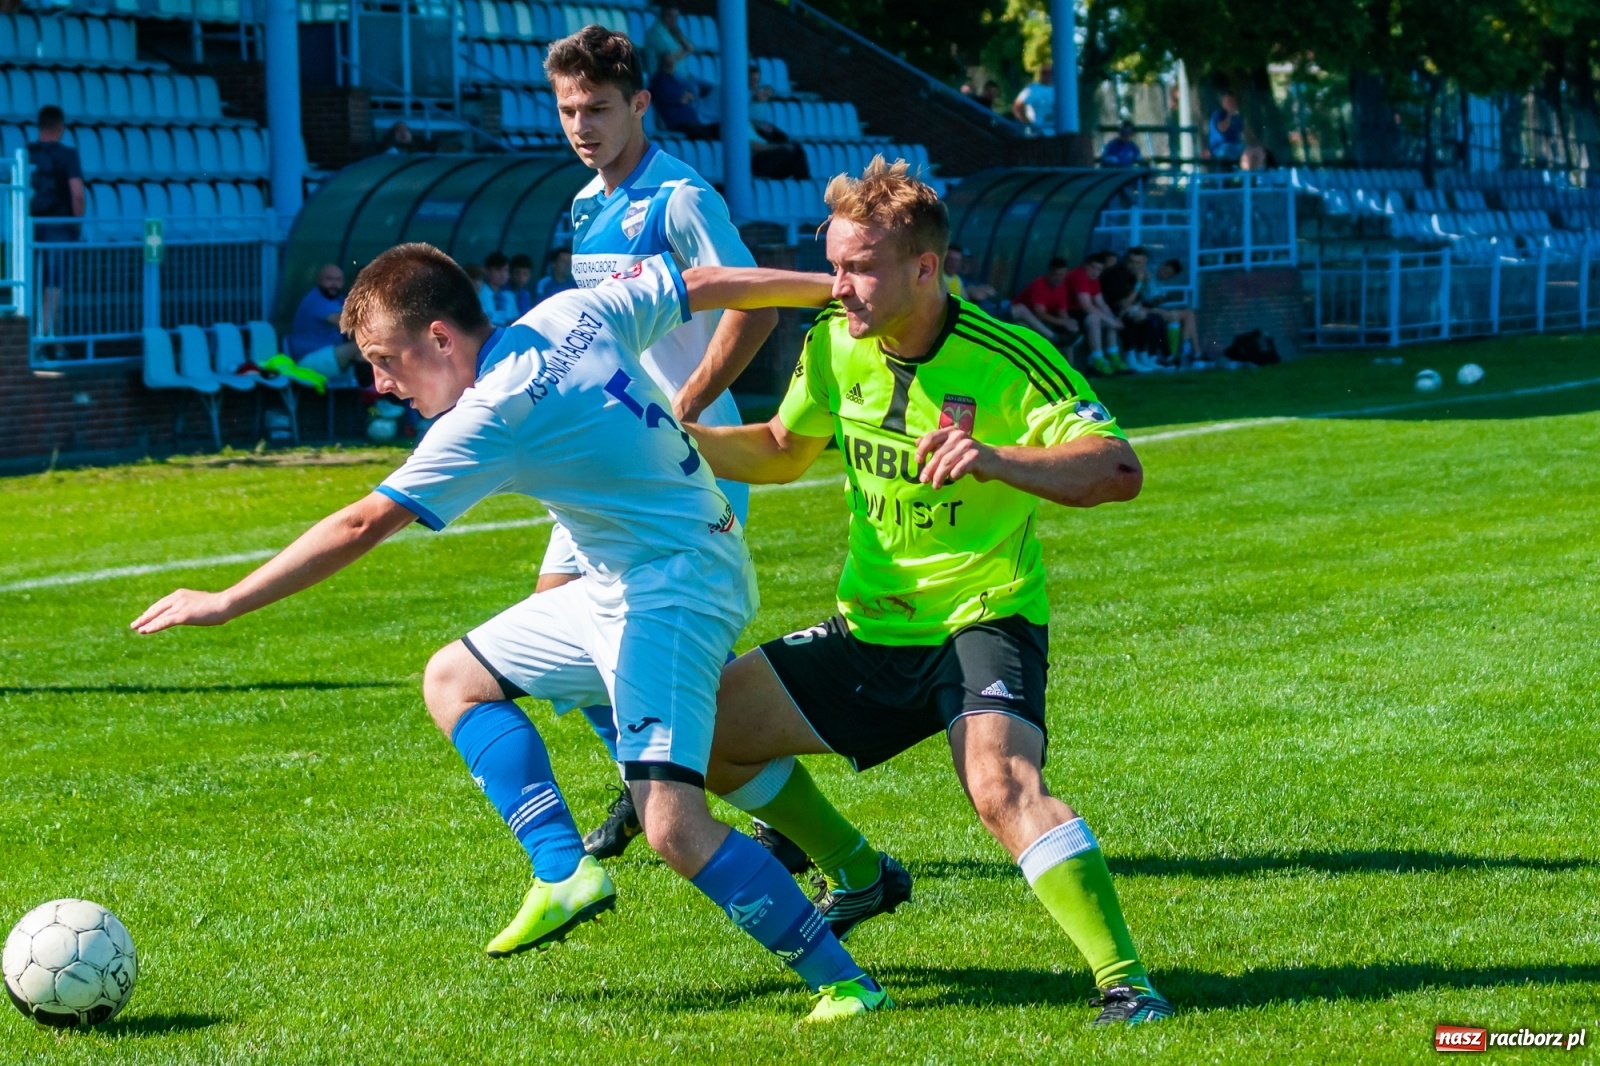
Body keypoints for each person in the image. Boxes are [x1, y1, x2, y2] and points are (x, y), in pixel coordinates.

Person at [131, 243, 891, 1023]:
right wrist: (830, 288)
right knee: (453, 679)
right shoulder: (566, 313)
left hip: (671, 594)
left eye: (385, 360)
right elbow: (701, 282)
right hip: (633, 577)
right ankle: (565, 871)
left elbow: (362, 524)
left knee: (672, 826)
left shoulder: (492, 413)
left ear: (439, 337)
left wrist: (226, 601)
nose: (380, 383)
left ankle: (849, 986)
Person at [683, 156, 1172, 1028]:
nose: (839, 286)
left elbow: (1117, 469)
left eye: (860, 268)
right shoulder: (833, 341)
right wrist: (674, 441)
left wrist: (995, 457)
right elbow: (784, 451)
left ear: (925, 268)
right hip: (872, 625)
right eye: (834, 266)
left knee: (1000, 785)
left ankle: (1128, 986)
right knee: (705, 733)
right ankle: (860, 875)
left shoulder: (1007, 358)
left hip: (983, 617)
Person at [543, 25, 787, 864]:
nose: (582, 126)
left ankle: (769, 797)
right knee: (562, 628)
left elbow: (756, 304)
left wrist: (687, 404)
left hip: (685, 461)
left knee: (684, 654)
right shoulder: (585, 204)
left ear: (640, 103)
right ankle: (643, 771)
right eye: (569, 110)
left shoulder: (680, 199)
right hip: (605, 460)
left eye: (598, 108)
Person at [27, 105, 85, 342]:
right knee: (54, 285)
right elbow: (77, 194)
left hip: (29, 227)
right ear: (60, 126)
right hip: (59, 227)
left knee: (33, 283)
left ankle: (50, 341)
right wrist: (77, 224)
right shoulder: (68, 155)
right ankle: (43, 340)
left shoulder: (26, 153)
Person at [287, 264, 362, 378]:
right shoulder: (316, 300)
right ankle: (371, 386)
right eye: (329, 279)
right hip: (308, 360)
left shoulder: (337, 299)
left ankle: (371, 386)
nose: (334, 284)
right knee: (361, 347)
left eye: (338, 280)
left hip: (328, 353)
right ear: (319, 281)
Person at [1065, 251, 1126, 375]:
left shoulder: (1094, 278)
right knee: (1094, 319)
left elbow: (1100, 302)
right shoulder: (1080, 276)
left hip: (1080, 312)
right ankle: (1097, 360)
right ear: (1086, 265)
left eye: (1099, 269)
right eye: (1093, 267)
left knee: (1109, 320)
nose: (1095, 272)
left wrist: (1113, 319)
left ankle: (1114, 357)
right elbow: (1086, 306)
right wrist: (1110, 321)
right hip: (1069, 312)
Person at [1008, 257, 1077, 346]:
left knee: (1070, 332)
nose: (1059, 278)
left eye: (1062, 275)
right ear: (1049, 273)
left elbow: (1062, 312)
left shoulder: (1061, 287)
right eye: (1056, 275)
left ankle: (1066, 353)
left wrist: (1069, 324)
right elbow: (1040, 314)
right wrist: (1062, 322)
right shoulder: (1039, 284)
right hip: (1019, 317)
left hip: (1040, 321)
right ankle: (1055, 339)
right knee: (1024, 327)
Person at [647, 53, 717, 140]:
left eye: (672, 62)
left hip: (693, 120)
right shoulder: (660, 81)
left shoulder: (674, 79)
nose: (671, 65)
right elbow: (683, 98)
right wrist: (688, 96)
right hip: (680, 122)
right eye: (668, 63)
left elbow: (696, 91)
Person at [641, 4, 693, 77]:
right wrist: (684, 52)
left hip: (680, 77)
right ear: (664, 16)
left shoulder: (671, 32)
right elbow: (668, 59)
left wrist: (681, 38)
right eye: (670, 16)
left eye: (675, 17)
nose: (674, 21)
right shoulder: (656, 33)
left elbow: (690, 48)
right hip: (664, 78)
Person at [477, 251, 518, 326]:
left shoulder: (509, 295)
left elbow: (513, 321)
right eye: (498, 270)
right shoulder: (479, 292)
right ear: (486, 271)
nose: (503, 274)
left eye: (506, 270)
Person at [1012, 62, 1054, 130]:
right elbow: (1017, 105)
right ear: (1041, 74)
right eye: (1045, 73)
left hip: (1057, 132)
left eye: (1051, 73)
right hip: (1037, 132)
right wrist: (1027, 122)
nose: (1048, 75)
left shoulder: (1060, 90)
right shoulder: (1032, 88)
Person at [1208, 92, 1244, 164]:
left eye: (1233, 102)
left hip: (1235, 147)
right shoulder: (1218, 114)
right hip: (1220, 148)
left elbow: (1244, 132)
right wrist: (1229, 114)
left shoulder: (1237, 117)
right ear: (1223, 103)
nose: (1231, 104)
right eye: (1228, 102)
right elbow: (1222, 129)